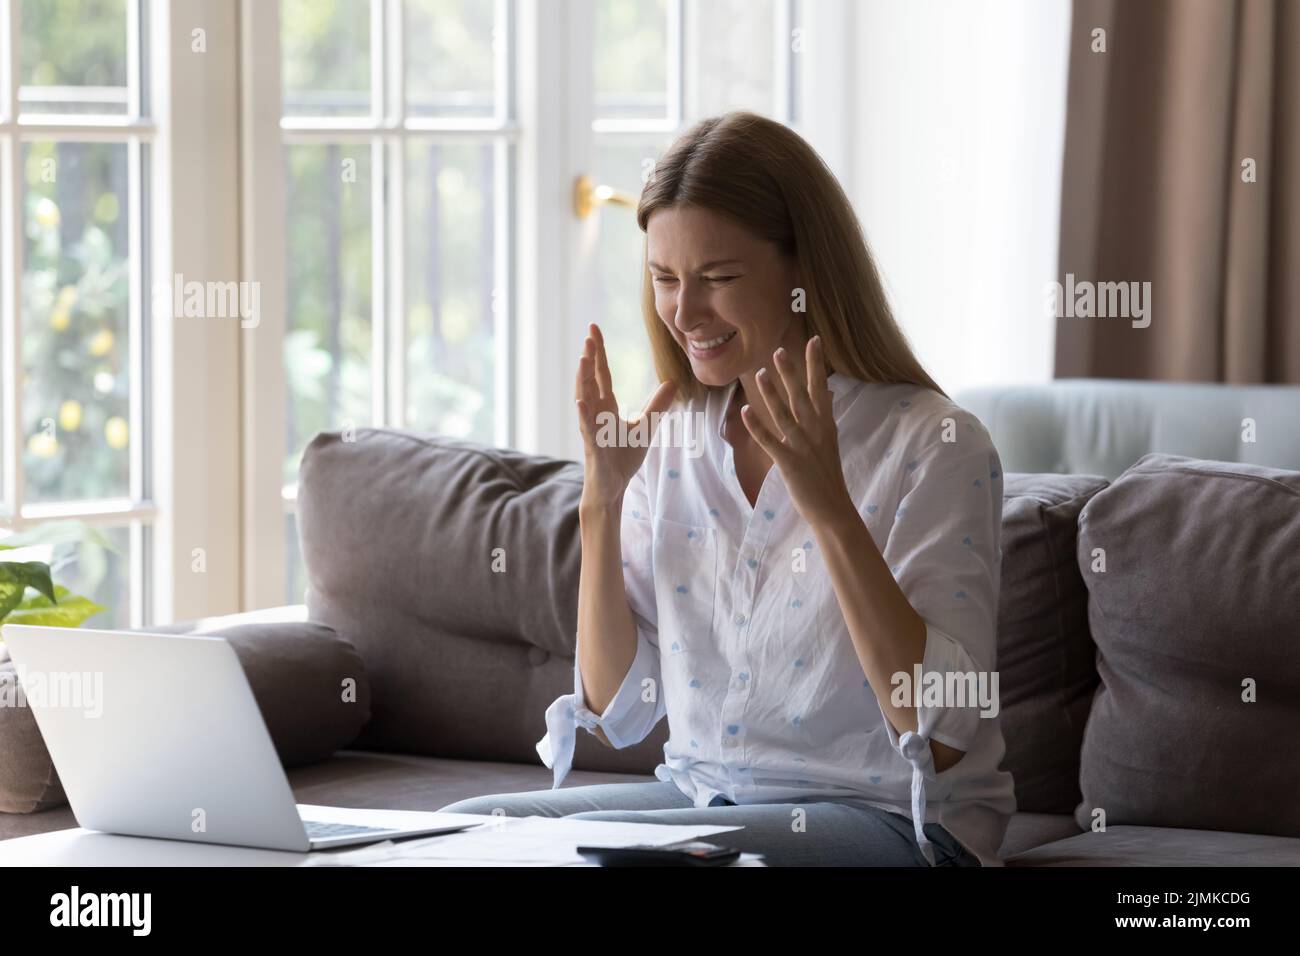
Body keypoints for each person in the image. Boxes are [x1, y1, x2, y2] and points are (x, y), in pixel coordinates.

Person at [439, 111, 1014, 867]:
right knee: (455, 836)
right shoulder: (674, 437)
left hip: (891, 819)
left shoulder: (934, 443)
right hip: (703, 798)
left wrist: (829, 507)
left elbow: (938, 733)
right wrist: (603, 501)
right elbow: (621, 708)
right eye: (665, 279)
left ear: (805, 272)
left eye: (718, 279)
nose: (684, 312)